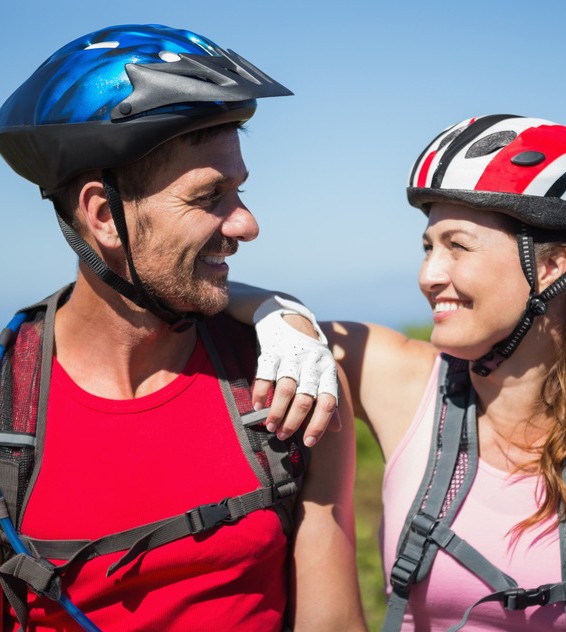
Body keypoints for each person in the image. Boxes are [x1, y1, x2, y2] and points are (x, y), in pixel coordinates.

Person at [0, 24, 366, 631]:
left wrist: (282, 309)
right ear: (104, 217)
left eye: (240, 190)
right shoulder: (11, 414)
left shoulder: (283, 386)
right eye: (209, 197)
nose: (246, 224)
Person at [234, 114, 566, 631]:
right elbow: (214, 301)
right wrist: (281, 315)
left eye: (457, 246)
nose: (428, 275)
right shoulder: (402, 380)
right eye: (428, 247)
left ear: (552, 265)